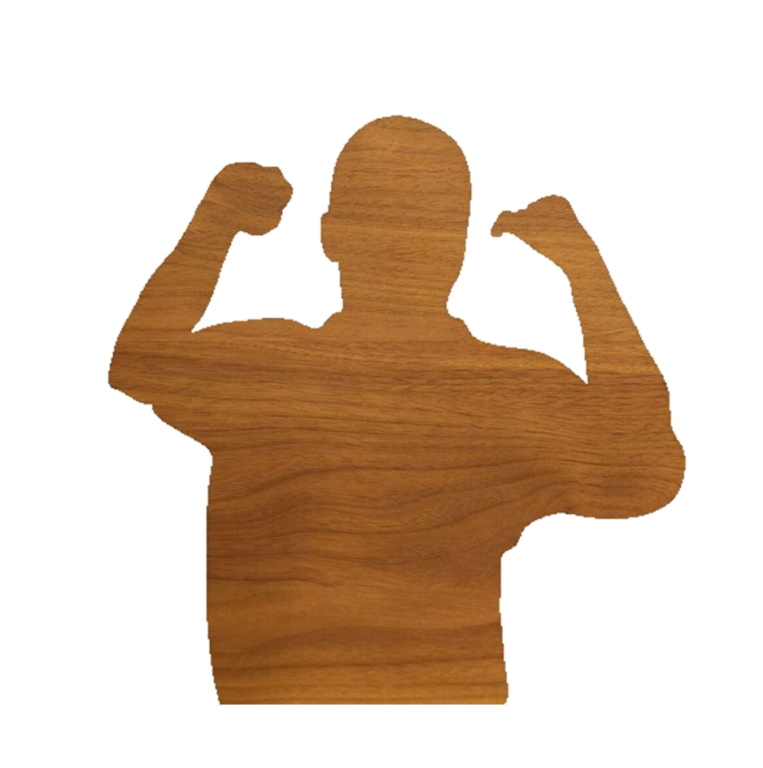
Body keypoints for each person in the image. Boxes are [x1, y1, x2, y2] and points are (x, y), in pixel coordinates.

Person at [108, 116, 685, 705]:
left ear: (329, 233)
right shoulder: (511, 388)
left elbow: (137, 361)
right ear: (458, 247)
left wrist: (219, 219)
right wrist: (584, 271)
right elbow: (644, 469)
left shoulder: (269, 367)